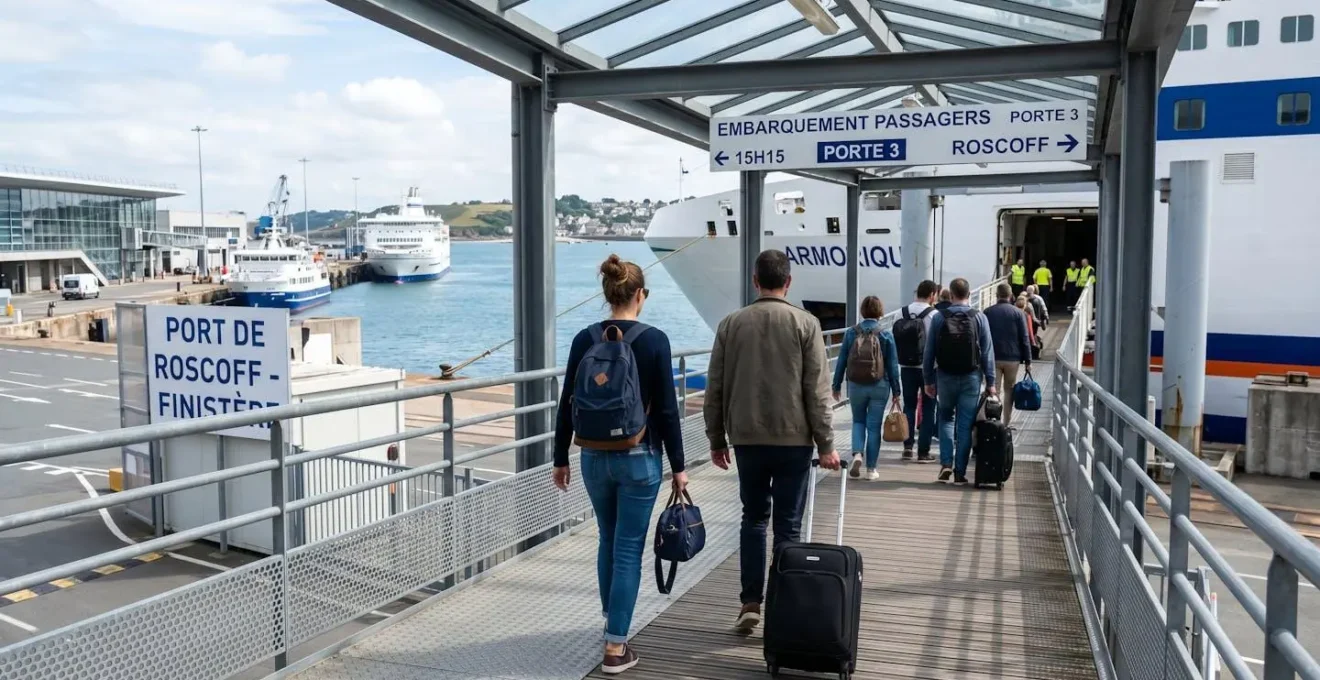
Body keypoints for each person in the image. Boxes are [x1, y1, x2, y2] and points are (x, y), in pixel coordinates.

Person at [553, 254, 687, 675]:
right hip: (639, 458)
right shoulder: (654, 340)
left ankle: (613, 623)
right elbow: (667, 410)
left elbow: (565, 404)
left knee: (607, 541)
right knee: (629, 547)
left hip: (591, 456)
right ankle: (615, 647)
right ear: (640, 295)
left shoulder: (583, 338)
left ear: (609, 293)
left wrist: (560, 457)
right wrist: (679, 466)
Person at [704, 249, 839, 634]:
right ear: (789, 282)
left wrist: (716, 438)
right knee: (788, 526)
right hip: (795, 440)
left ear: (755, 281)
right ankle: (782, 605)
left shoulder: (731, 324)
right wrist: (826, 443)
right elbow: (817, 390)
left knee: (753, 518)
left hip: (746, 438)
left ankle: (750, 601)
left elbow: (715, 387)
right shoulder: (806, 324)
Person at [923, 277, 996, 486]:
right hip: (971, 377)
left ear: (951, 295)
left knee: (945, 419)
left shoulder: (939, 317)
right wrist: (991, 382)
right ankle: (959, 473)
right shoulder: (979, 317)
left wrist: (928, 380)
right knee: (965, 426)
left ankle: (946, 463)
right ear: (969, 294)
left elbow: (929, 352)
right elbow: (988, 353)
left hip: (944, 376)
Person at [832, 295, 902, 480]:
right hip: (880, 385)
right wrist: (896, 391)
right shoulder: (885, 334)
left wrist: (836, 384)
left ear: (862, 311)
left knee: (858, 421)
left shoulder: (851, 333)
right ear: (880, 311)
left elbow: (841, 361)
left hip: (856, 385)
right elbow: (893, 366)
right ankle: (871, 470)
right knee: (873, 427)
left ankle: (856, 454)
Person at [895, 280, 939, 463]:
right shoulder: (934, 315)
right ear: (932, 295)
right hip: (928, 369)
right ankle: (923, 451)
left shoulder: (901, 312)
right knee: (929, 409)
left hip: (906, 367)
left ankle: (907, 447)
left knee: (909, 406)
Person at [984, 283, 1032, 425]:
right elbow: (1024, 338)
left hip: (993, 358)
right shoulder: (1019, 313)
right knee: (1009, 391)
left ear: (996, 295)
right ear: (1011, 296)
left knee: (994, 391)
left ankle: (994, 422)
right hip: (1013, 358)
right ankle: (1006, 424)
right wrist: (1028, 361)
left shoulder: (987, 312)